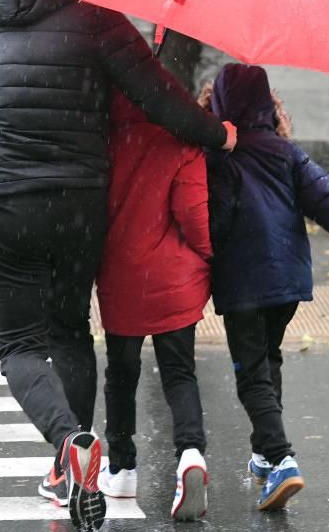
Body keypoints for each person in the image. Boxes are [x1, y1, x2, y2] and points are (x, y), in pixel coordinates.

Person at [0, 0, 236, 532]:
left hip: (2, 199)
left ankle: (68, 446)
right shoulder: (96, 19)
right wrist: (219, 133)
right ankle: (72, 463)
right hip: (75, 201)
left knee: (17, 343)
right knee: (68, 329)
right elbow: (159, 99)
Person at [204, 64, 329, 512]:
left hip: (243, 281)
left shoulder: (220, 159)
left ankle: (281, 459)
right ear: (270, 105)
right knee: (268, 361)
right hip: (287, 281)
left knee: (251, 374)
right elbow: (325, 195)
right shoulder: (285, 153)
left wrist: (203, 257)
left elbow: (214, 220)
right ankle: (262, 454)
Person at [95, 90, 212, 521]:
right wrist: (205, 256)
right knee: (180, 373)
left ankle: (123, 467)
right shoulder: (183, 143)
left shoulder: (105, 141)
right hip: (173, 279)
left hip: (121, 277)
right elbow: (194, 215)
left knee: (121, 376)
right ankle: (190, 454)